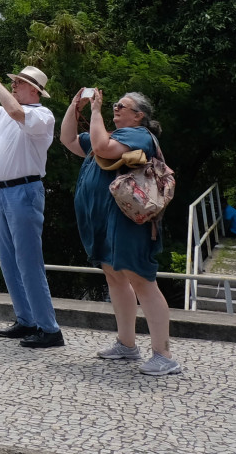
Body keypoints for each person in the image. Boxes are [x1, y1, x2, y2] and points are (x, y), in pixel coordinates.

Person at [62, 88, 180, 377]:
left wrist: (96, 110)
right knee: (115, 278)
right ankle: (127, 344)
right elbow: (68, 140)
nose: (115, 108)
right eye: (114, 105)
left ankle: (163, 355)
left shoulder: (137, 135)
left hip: (130, 222)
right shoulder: (108, 134)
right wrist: (74, 106)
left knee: (142, 281)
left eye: (121, 106)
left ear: (138, 115)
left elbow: (102, 149)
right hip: (106, 221)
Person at [0, 58, 63, 349]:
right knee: (9, 261)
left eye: (18, 83)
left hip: (24, 192)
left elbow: (18, 112)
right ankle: (26, 320)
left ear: (34, 90)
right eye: (13, 82)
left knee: (29, 262)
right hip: (0, 193)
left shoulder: (42, 115)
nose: (14, 85)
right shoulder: (1, 113)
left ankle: (49, 328)